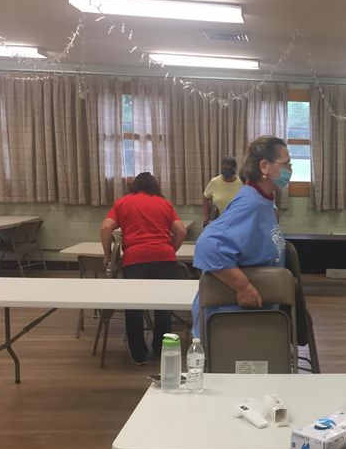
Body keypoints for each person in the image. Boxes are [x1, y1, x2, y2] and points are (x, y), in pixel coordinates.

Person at [191, 136, 290, 339]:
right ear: (264, 166)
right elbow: (207, 245)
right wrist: (243, 286)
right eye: (286, 164)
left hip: (248, 320)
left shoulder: (264, 203)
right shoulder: (250, 204)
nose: (290, 170)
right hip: (229, 323)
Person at [101, 172, 187, 365]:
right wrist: (170, 249)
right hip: (164, 259)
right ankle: (160, 350)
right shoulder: (164, 203)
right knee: (163, 307)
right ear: (154, 186)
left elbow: (106, 228)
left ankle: (139, 354)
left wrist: (107, 255)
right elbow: (181, 230)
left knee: (134, 307)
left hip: (135, 260)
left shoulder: (123, 202)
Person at [202, 156, 243, 226]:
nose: (227, 170)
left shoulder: (241, 183)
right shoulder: (214, 181)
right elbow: (205, 198)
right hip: (218, 221)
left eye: (230, 168)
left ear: (235, 169)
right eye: (225, 168)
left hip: (237, 221)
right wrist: (206, 217)